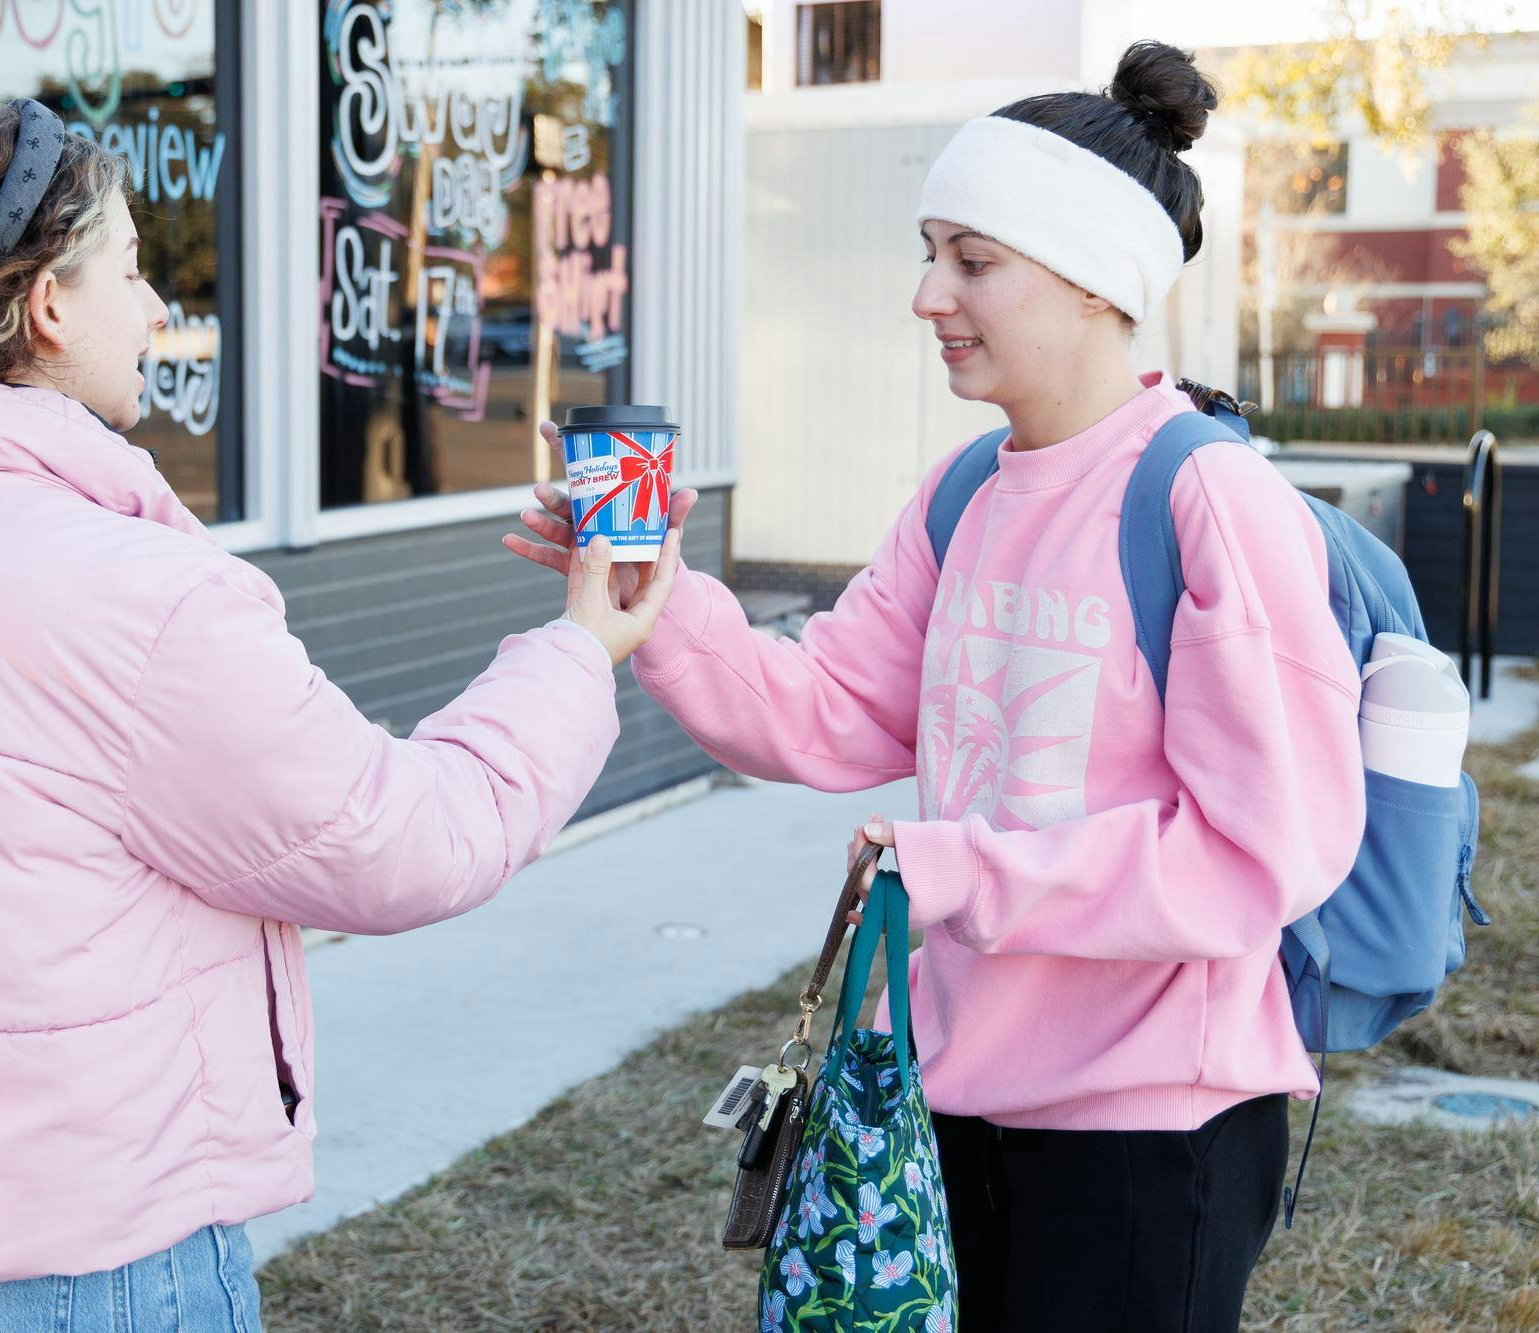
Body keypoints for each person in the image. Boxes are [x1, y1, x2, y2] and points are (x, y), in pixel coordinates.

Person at [0, 97, 680, 1331]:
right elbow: (407, 843)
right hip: (68, 1271)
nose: (160, 305)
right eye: (129, 267)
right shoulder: (138, 600)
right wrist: (581, 649)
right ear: (48, 307)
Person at [507, 42, 1364, 1332]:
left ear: (1090, 280)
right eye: (929, 251)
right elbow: (821, 709)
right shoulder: (965, 491)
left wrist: (967, 871)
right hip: (950, 1100)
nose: (925, 295)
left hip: (1147, 1128)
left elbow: (1257, 856)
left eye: (971, 259)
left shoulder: (1207, 502)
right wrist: (661, 600)